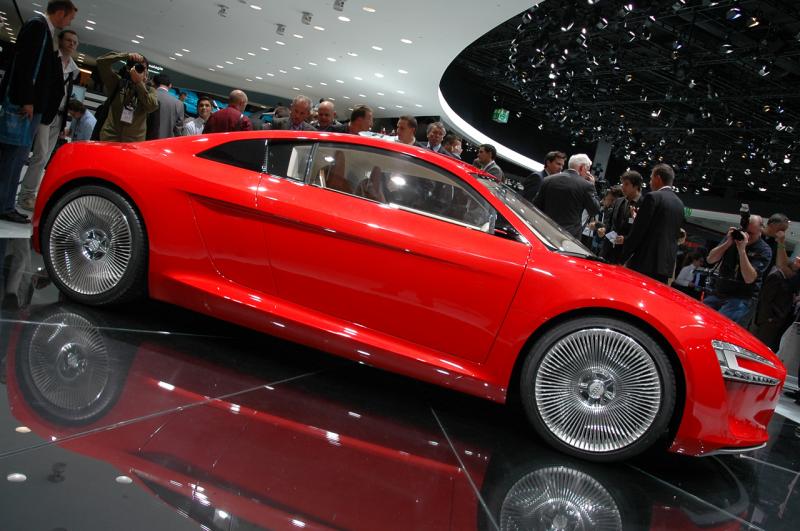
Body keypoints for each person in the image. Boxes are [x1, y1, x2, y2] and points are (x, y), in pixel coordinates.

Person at [0, 0, 77, 224]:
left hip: (34, 106)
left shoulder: (43, 29)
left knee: (16, 156)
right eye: (69, 17)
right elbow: (26, 66)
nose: (69, 22)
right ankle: (4, 204)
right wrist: (27, 100)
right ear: (60, 13)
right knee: (14, 156)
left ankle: (6, 203)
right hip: (26, 106)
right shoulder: (38, 27)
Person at [621, 164, 685, 283]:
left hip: (645, 263)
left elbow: (638, 231)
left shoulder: (653, 197)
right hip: (665, 267)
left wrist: (624, 257)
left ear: (658, 178)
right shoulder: (679, 204)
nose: (650, 182)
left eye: (651, 178)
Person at [704, 215, 771, 326]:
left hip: (741, 297)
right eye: (745, 232)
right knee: (700, 318)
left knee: (718, 325)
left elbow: (749, 278)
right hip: (719, 291)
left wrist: (742, 251)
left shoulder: (764, 250)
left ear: (761, 230)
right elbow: (710, 260)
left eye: (751, 234)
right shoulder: (733, 239)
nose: (746, 236)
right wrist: (727, 243)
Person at [751, 230, 800, 350]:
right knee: (759, 345)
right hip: (771, 320)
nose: (797, 259)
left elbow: (782, 264)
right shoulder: (778, 276)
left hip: (779, 320)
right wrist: (768, 318)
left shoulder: (792, 278)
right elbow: (766, 299)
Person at [533, 153, 600, 238]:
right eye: (587, 170)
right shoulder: (587, 186)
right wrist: (593, 186)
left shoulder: (548, 179)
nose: (588, 173)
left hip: (544, 230)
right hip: (569, 236)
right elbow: (594, 210)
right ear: (581, 168)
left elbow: (536, 205)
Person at [96, 51, 158, 142]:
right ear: (129, 69)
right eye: (136, 67)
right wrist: (125, 56)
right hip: (110, 137)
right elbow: (101, 61)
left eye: (142, 68)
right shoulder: (117, 83)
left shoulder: (150, 90)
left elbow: (152, 107)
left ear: (147, 72)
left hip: (134, 142)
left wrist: (139, 83)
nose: (139, 71)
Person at [603, 171, 643, 263]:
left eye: (626, 184)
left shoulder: (644, 205)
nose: (622, 187)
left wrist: (626, 239)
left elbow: (641, 233)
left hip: (627, 256)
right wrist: (604, 230)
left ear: (636, 186)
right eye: (622, 184)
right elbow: (610, 224)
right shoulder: (618, 201)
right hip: (609, 252)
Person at [146, 73, 184, 139]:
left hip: (146, 141)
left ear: (154, 83)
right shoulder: (179, 104)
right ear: (170, 85)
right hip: (166, 143)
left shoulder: (148, 97)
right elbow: (178, 130)